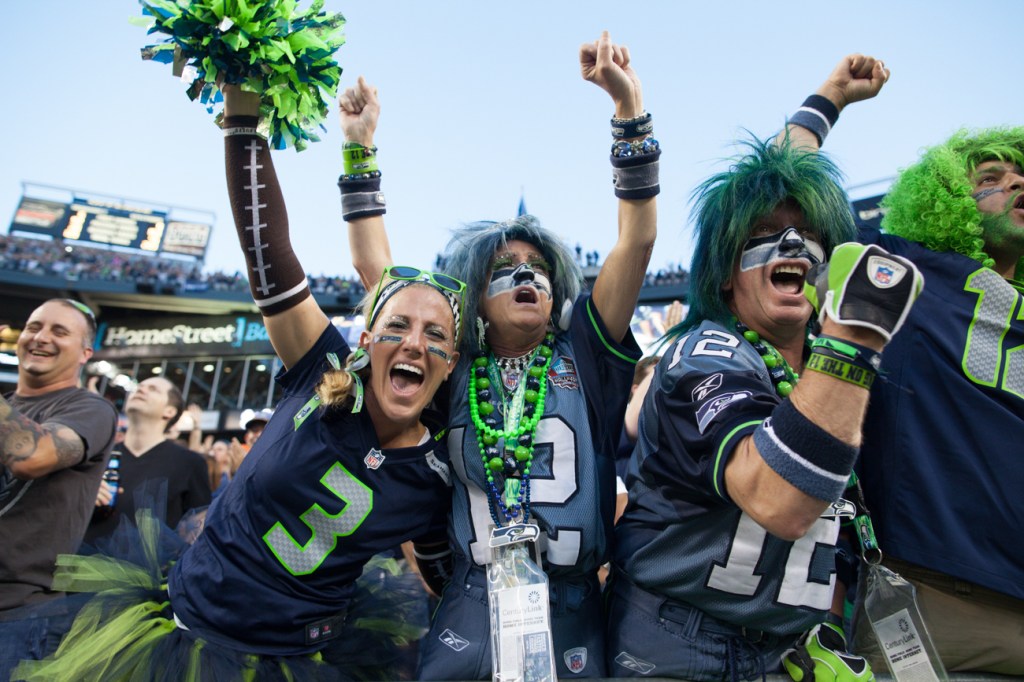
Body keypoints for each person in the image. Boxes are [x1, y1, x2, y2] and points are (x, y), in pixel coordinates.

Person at [12, 83, 465, 681]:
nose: (414, 343)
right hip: (181, 637)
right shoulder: (322, 372)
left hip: (302, 658)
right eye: (398, 326)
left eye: (435, 335)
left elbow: (447, 577)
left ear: (452, 363)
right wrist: (243, 118)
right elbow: (267, 254)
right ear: (365, 341)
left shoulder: (439, 473)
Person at [341, 30, 655, 679]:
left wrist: (628, 110)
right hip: (472, 595)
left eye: (539, 268)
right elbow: (379, 278)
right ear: (474, 301)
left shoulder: (587, 356)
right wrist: (358, 150)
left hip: (571, 602)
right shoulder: (451, 367)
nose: (526, 277)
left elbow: (638, 242)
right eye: (506, 268)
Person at [607, 55, 919, 680]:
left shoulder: (814, 371)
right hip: (682, 642)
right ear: (726, 273)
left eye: (809, 240)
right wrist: (852, 343)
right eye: (766, 239)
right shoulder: (707, 354)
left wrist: (827, 99)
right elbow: (776, 498)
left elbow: (778, 182)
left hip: (790, 645)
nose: (792, 246)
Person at [847, 128, 1024, 674]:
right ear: (945, 202)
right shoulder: (906, 268)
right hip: (938, 596)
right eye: (990, 179)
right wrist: (831, 100)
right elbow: (791, 200)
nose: (1016, 182)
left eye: (1020, 175)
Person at [0, 298, 118, 675]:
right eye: (34, 327)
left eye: (59, 331)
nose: (41, 337)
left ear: (86, 352)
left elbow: (31, 456)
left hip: (18, 616)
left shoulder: (91, 409)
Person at [84, 376, 212, 543]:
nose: (141, 389)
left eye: (153, 389)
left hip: (152, 568)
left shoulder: (191, 463)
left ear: (170, 411)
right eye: (139, 387)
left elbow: (197, 530)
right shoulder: (97, 456)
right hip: (81, 560)